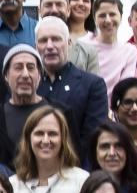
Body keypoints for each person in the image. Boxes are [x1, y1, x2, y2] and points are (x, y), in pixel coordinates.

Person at [8, 106, 89, 193]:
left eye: (52, 134)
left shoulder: (81, 181)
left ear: (63, 138)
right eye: (39, 133)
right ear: (28, 138)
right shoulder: (13, 184)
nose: (46, 140)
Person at [33, 17, 111, 149]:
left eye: (56, 39)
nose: (50, 46)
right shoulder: (30, 86)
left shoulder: (92, 85)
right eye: (43, 40)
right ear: (36, 46)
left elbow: (93, 139)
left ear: (69, 43)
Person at [83, 0, 137, 90]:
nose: (108, 20)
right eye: (102, 15)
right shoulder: (82, 46)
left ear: (121, 17)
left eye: (112, 14)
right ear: (94, 19)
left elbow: (125, 88)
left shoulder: (129, 51)